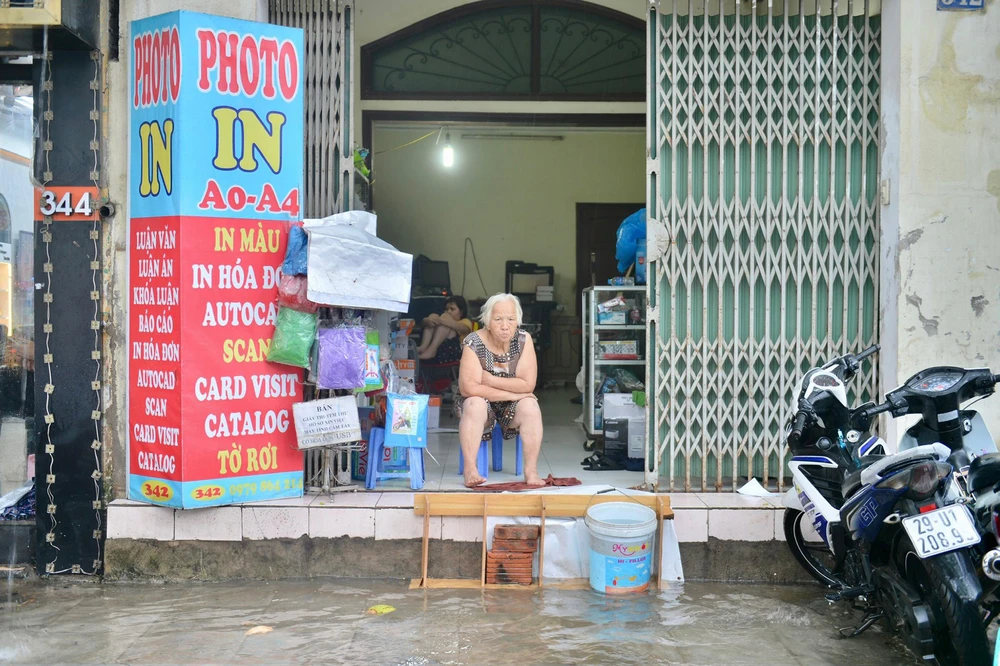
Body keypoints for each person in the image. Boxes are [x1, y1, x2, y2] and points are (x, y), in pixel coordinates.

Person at [458, 293, 543, 488]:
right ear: (487, 321)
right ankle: (470, 469)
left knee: (530, 405)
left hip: (511, 407)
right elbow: (468, 388)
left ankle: (531, 471)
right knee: (474, 402)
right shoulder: (473, 342)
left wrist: (489, 380)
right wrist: (513, 393)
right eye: (498, 319)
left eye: (511, 319)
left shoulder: (523, 340)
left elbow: (527, 385)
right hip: (480, 405)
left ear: (517, 321)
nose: (505, 325)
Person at [417, 296, 473, 362]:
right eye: (446, 309)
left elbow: (463, 328)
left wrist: (442, 321)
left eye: (452, 309)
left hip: (452, 352)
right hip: (435, 349)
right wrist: (426, 321)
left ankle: (431, 350)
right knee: (433, 316)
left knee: (445, 319)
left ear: (461, 312)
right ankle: (423, 347)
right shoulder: (442, 319)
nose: (448, 311)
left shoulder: (465, 321)